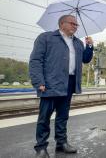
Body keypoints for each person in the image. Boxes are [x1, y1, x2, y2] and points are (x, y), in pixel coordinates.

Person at [29, 15, 93, 158]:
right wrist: (39, 81)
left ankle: (61, 143)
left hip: (69, 83)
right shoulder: (46, 38)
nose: (76, 27)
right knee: (44, 117)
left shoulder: (77, 43)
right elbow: (35, 60)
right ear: (62, 24)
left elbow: (85, 59)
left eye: (77, 25)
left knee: (63, 116)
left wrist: (89, 46)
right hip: (50, 83)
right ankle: (41, 147)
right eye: (73, 24)